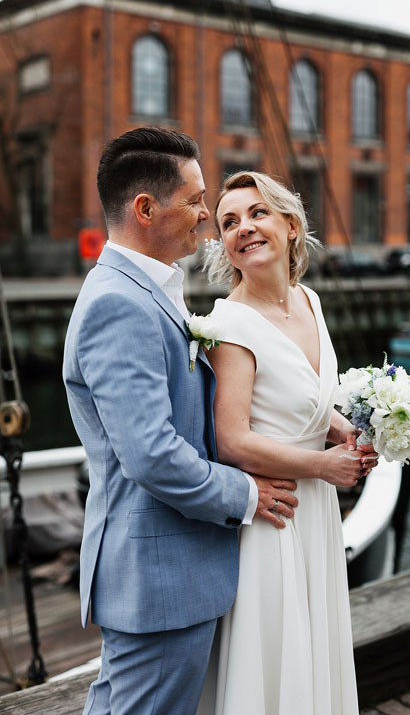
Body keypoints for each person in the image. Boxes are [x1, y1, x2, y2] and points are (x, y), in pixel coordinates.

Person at [63, 128, 300, 715]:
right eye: (196, 200)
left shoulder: (148, 291)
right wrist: (245, 493)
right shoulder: (120, 304)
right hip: (158, 577)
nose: (204, 217)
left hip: (169, 574)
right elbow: (151, 454)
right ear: (146, 208)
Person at [196, 171, 376, 715]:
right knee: (275, 652)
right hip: (277, 511)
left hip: (318, 507)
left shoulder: (309, 301)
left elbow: (303, 397)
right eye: (229, 222)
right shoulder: (229, 324)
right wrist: (323, 465)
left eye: (257, 214)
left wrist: (340, 426)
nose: (243, 228)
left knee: (315, 638)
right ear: (224, 244)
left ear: (291, 226)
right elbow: (232, 440)